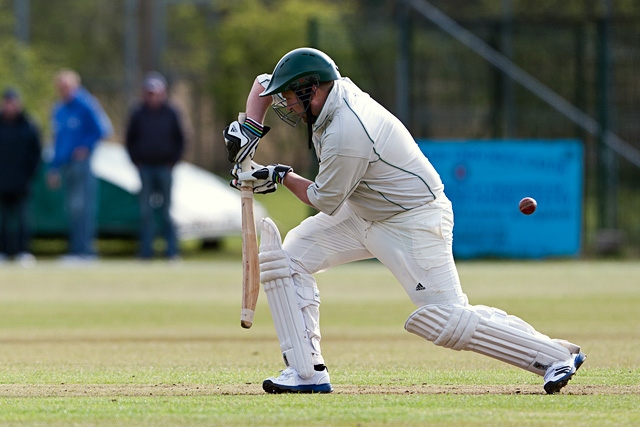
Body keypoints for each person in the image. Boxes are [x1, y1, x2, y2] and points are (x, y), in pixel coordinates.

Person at [223, 47, 586, 395]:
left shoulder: (349, 130)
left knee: (444, 318)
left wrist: (278, 174)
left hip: (412, 221)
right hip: (364, 211)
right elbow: (261, 86)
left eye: (291, 96)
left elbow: (323, 199)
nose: (287, 105)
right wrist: (249, 131)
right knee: (287, 260)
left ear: (312, 88)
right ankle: (305, 373)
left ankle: (554, 356)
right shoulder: (327, 91)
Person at [47, 69, 112, 261]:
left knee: (83, 207)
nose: (64, 90)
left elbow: (103, 129)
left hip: (81, 164)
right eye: (61, 87)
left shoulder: (86, 104)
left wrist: (85, 146)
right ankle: (75, 250)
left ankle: (85, 251)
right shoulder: (59, 109)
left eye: (67, 86)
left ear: (75, 86)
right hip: (66, 166)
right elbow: (57, 140)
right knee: (72, 208)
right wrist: (53, 168)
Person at [125, 72, 185, 260]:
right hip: (146, 169)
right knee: (146, 212)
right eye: (149, 93)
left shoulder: (172, 113)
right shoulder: (138, 113)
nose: (153, 97)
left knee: (166, 211)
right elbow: (130, 140)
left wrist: (172, 162)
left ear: (162, 93)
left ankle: (171, 252)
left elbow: (181, 140)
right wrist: (137, 161)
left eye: (156, 92)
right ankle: (146, 252)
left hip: (165, 168)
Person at [0, 88, 42, 266]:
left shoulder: (29, 124)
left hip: (22, 181)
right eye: (7, 102)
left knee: (24, 218)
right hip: (1, 181)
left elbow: (36, 152)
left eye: (13, 102)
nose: (10, 106)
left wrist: (30, 174)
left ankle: (24, 251)